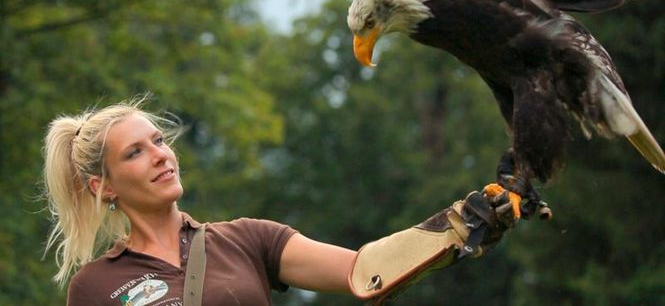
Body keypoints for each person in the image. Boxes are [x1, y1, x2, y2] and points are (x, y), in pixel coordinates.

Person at [43, 96, 516, 305]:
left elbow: (365, 271)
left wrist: (455, 228)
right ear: (102, 187)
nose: (160, 156)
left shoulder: (250, 240)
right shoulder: (96, 286)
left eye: (158, 141)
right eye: (135, 153)